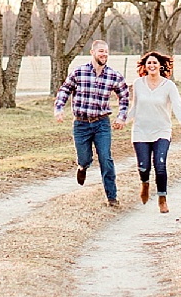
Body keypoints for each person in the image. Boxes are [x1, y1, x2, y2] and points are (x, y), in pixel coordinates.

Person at [53, 39, 131, 206]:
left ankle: (112, 197)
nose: (104, 54)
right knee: (85, 157)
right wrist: (59, 108)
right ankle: (82, 166)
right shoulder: (79, 72)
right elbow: (64, 90)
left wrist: (121, 116)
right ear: (93, 52)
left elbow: (124, 96)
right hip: (81, 124)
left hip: (102, 123)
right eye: (101, 51)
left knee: (105, 158)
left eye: (106, 52)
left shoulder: (113, 75)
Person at [127, 50, 181, 213]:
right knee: (143, 167)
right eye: (149, 63)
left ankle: (162, 199)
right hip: (141, 131)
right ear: (145, 66)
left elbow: (178, 107)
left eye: (155, 63)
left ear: (160, 65)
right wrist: (122, 120)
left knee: (160, 165)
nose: (152, 65)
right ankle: (145, 184)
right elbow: (134, 107)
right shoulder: (138, 84)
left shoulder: (168, 86)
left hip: (161, 131)